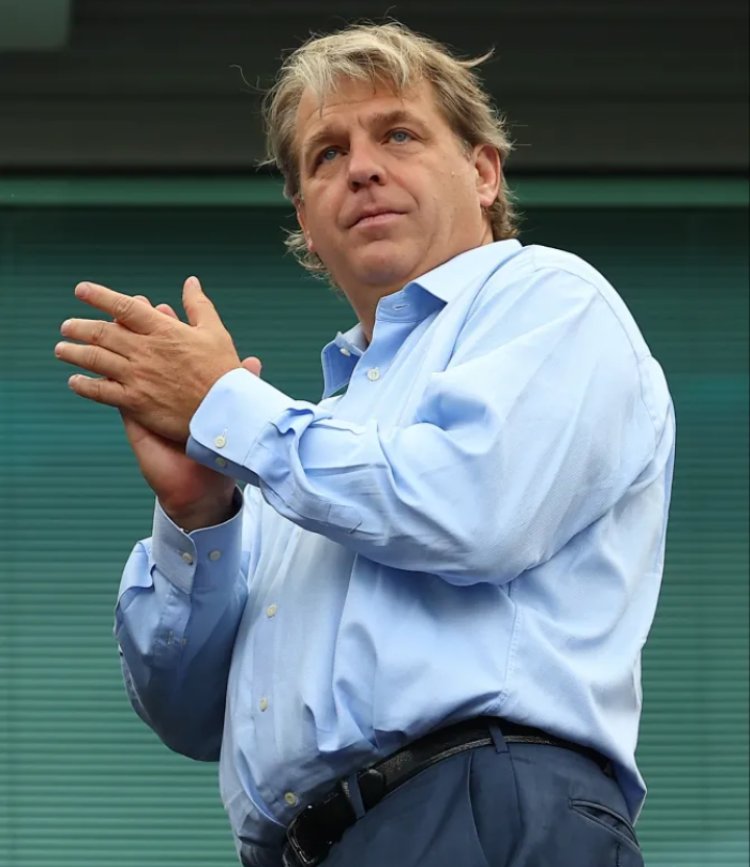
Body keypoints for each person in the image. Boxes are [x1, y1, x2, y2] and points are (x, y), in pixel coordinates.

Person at [55, 21, 675, 867]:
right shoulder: (303, 446)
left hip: (481, 810)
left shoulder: (550, 298)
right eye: (326, 155)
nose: (362, 168)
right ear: (306, 222)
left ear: (484, 172)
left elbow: (471, 508)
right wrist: (200, 510)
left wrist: (226, 405)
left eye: (399, 134)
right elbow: (187, 713)